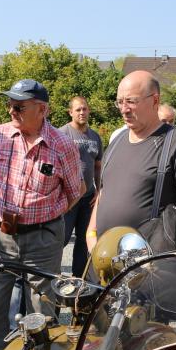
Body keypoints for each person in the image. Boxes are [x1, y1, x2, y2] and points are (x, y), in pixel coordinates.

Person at [0, 79, 84, 350]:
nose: (12, 110)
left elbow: (77, 190)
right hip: (1, 235)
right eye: (10, 104)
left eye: (19, 106)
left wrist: (48, 213)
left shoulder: (62, 145)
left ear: (43, 110)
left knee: (42, 308)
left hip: (42, 239)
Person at [88, 71, 176, 248]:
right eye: (120, 102)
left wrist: (167, 256)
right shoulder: (117, 142)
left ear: (155, 101)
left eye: (131, 101)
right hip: (105, 260)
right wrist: (91, 232)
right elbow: (104, 192)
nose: (124, 109)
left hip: (151, 265)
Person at [60, 96, 103, 277]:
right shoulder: (62, 133)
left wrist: (100, 190)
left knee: (84, 241)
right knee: (60, 239)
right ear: (70, 112)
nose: (82, 112)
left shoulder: (95, 137)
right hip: (68, 197)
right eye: (78, 109)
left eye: (84, 109)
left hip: (89, 198)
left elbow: (98, 166)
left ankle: (79, 281)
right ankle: (52, 277)